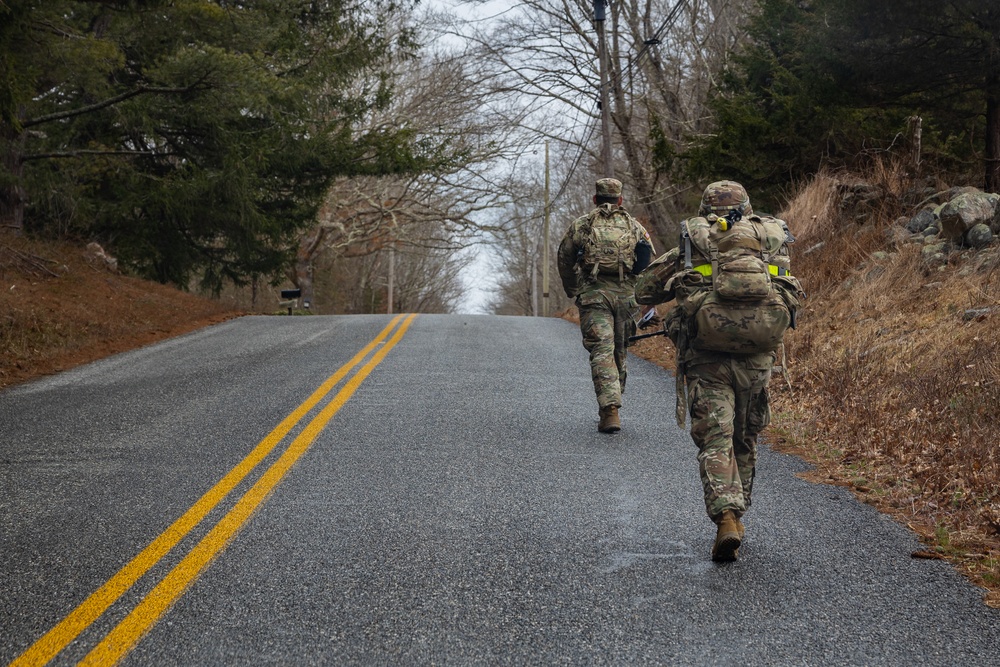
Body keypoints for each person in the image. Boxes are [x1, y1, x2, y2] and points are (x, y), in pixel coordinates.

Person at [635, 181, 803, 561]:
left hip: (705, 355)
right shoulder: (771, 237)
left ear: (705, 208)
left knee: (716, 436)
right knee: (744, 435)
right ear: (747, 206)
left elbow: (644, 291)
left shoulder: (694, 240)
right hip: (758, 356)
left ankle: (725, 515)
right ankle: (738, 512)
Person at [557, 178, 654, 433]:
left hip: (593, 296)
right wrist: (643, 296)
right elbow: (648, 261)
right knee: (619, 351)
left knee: (602, 350)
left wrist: (574, 290)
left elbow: (564, 258)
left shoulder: (582, 225)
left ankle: (609, 409)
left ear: (595, 199)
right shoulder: (634, 226)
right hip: (626, 297)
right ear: (620, 200)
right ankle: (612, 404)